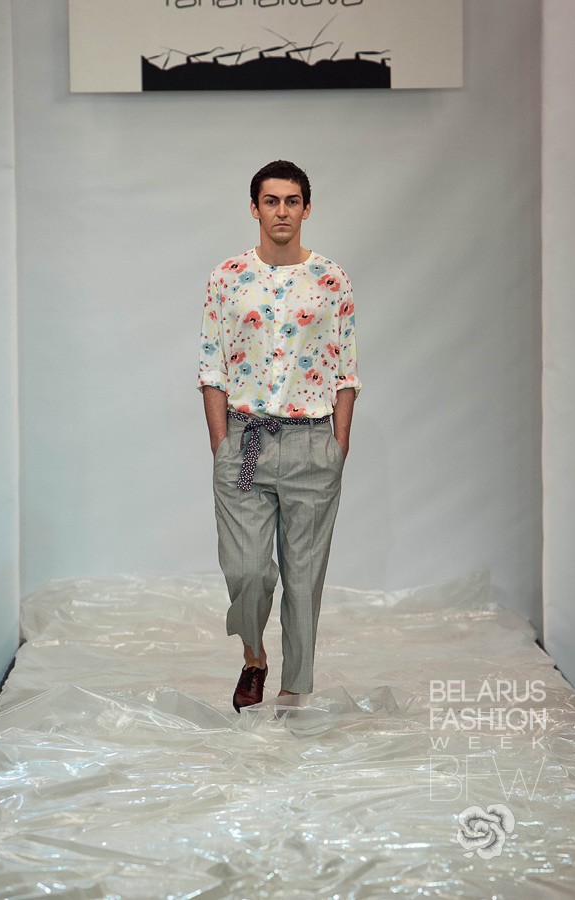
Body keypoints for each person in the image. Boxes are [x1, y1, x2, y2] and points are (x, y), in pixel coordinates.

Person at [198, 160, 360, 712]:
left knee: (304, 576)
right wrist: (221, 443)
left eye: (292, 201)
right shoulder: (227, 277)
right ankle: (254, 656)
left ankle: (294, 693)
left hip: (312, 441)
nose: (282, 211)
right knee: (247, 569)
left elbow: (345, 370)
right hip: (246, 441)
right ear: (255, 208)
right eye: (271, 201)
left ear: (307, 209)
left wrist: (338, 445)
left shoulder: (331, 279)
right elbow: (212, 367)